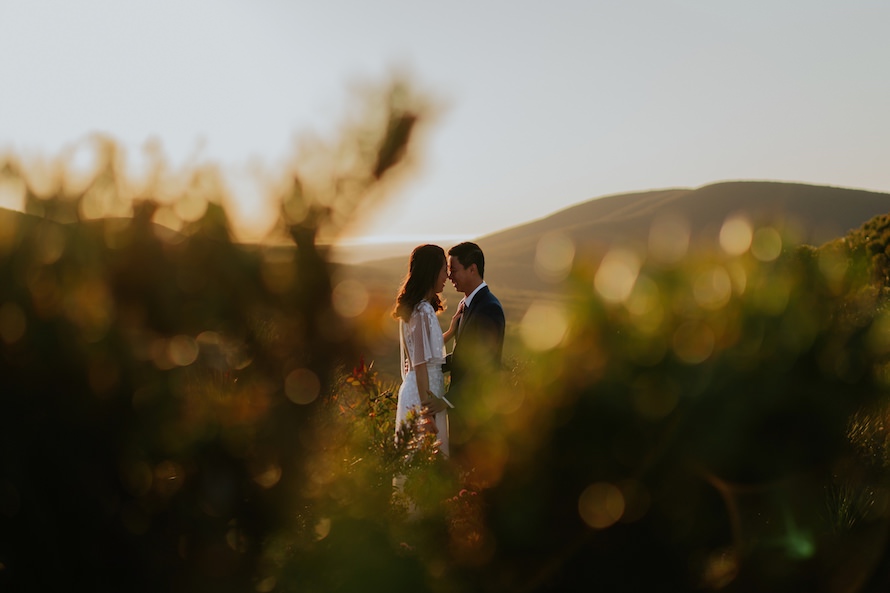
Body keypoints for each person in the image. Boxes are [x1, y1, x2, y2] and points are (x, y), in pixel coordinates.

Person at [429, 241, 505, 459]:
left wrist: (446, 400)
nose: (449, 276)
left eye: (454, 270)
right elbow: (464, 357)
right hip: (463, 411)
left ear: (472, 269)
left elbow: (482, 366)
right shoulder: (467, 304)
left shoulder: (488, 308)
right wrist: (431, 364)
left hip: (476, 412)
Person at [392, 244, 461, 456]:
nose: (447, 276)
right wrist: (425, 414)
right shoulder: (422, 311)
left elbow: (424, 351)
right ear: (431, 272)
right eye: (443, 270)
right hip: (424, 395)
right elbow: (421, 365)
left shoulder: (418, 308)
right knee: (424, 460)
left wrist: (450, 332)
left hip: (423, 391)